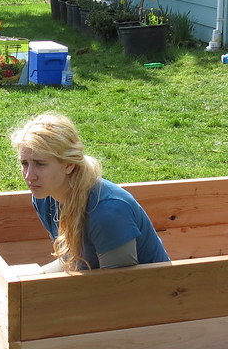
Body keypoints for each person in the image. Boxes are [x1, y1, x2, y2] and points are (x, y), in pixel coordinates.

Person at [10, 113, 170, 273]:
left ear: (69, 165)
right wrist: (33, 275)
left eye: (40, 164)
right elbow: (74, 261)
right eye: (24, 163)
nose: (29, 176)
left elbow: (120, 286)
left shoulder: (107, 212)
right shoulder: (45, 197)